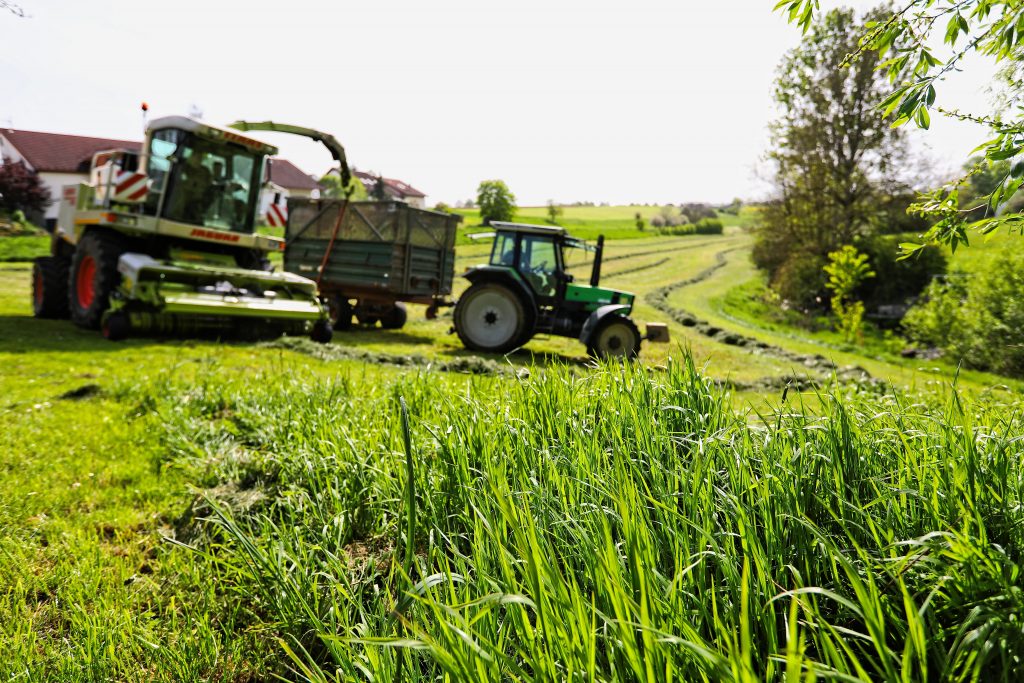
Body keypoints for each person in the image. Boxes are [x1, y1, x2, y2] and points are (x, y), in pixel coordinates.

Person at [174, 149, 213, 224]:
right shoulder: (182, 167)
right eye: (197, 157)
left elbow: (209, 185)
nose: (199, 159)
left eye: (200, 158)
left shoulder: (205, 171)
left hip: (198, 200)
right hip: (182, 199)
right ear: (191, 157)